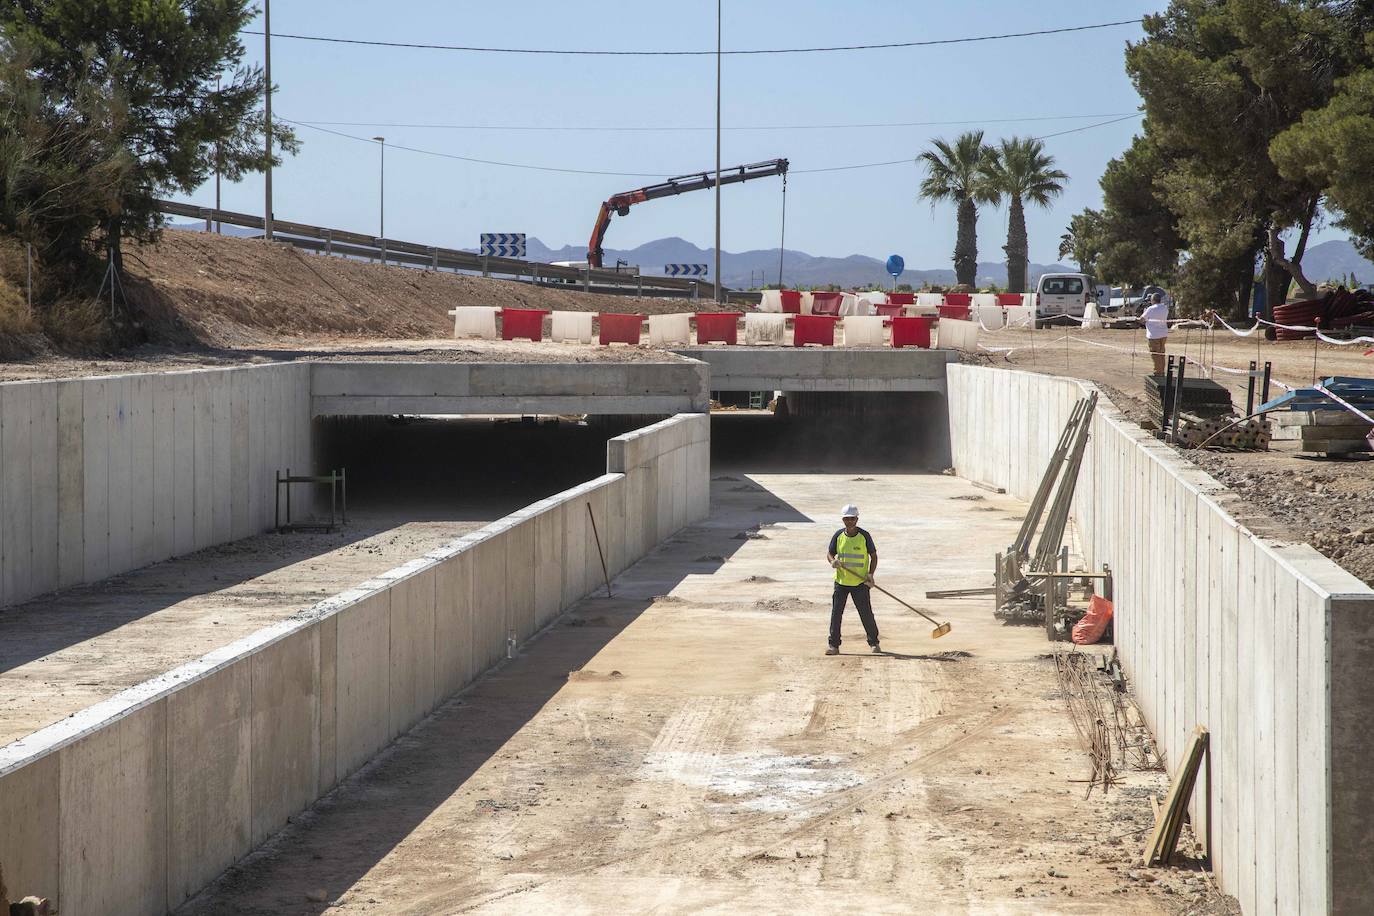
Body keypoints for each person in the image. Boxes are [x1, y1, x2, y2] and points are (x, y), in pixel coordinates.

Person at [825, 504, 880, 655]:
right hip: (841, 582)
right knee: (836, 614)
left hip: (860, 583)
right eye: (847, 519)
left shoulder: (864, 536)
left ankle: (874, 642)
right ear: (843, 520)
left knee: (866, 613)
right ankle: (833, 645)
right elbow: (829, 553)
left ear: (857, 519)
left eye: (852, 519)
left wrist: (870, 575)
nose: (849, 522)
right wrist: (832, 561)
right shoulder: (838, 536)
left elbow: (873, 556)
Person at [1141, 290, 1170, 375]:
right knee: (1161, 354)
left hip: (1153, 335)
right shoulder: (1165, 307)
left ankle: (1157, 372)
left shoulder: (1150, 309)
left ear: (1152, 300)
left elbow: (1142, 319)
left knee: (1155, 355)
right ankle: (1162, 371)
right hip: (1163, 334)